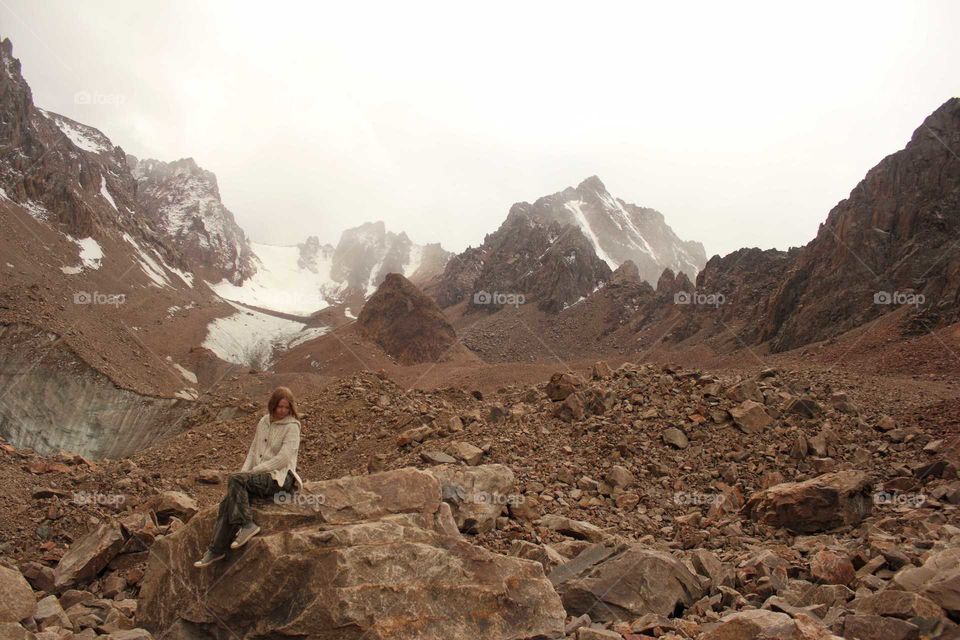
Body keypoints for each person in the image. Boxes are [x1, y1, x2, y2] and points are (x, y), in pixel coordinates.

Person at [194, 386, 304, 568]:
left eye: (286, 407)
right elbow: (253, 450)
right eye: (280, 407)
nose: (283, 411)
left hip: (280, 478)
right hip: (261, 475)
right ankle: (216, 550)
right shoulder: (263, 422)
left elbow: (283, 459)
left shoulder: (292, 427)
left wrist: (254, 471)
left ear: (291, 407)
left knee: (237, 481)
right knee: (228, 499)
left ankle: (247, 525)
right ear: (273, 405)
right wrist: (244, 472)